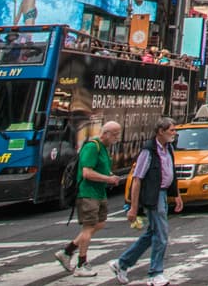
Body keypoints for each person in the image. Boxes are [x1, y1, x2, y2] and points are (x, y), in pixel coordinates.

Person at [110, 117, 183, 286]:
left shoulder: (168, 148)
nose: (174, 133)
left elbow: (170, 172)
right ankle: (155, 273)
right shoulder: (148, 151)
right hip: (153, 195)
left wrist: (176, 195)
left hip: (163, 194)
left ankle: (121, 263)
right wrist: (133, 208)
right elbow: (137, 180)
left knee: (152, 233)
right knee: (162, 235)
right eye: (172, 130)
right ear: (160, 131)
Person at [56, 121, 124, 273]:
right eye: (115, 134)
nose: (117, 138)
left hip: (99, 193)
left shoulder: (104, 148)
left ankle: (67, 251)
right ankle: (82, 264)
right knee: (88, 228)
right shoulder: (92, 147)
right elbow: (87, 173)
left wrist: (111, 176)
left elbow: (102, 170)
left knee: (99, 224)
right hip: (88, 193)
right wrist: (108, 179)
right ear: (105, 133)